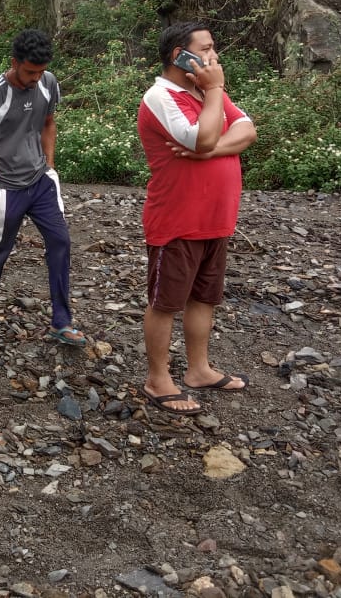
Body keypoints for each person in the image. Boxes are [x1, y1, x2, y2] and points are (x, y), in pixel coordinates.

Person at [137, 22, 258, 415]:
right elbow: (201, 137)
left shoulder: (204, 95)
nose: (214, 58)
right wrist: (216, 94)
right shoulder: (161, 96)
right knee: (165, 302)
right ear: (179, 55)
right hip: (177, 220)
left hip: (215, 218)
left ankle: (198, 369)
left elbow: (247, 131)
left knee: (204, 297)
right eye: (206, 50)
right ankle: (158, 379)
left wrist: (210, 151)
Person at [0, 29, 83, 348]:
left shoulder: (47, 83)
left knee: (61, 243)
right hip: (5, 187)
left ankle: (62, 321)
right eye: (30, 71)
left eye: (41, 71)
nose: (36, 78)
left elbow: (48, 123)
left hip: (40, 182)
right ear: (15, 62)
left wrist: (50, 165)